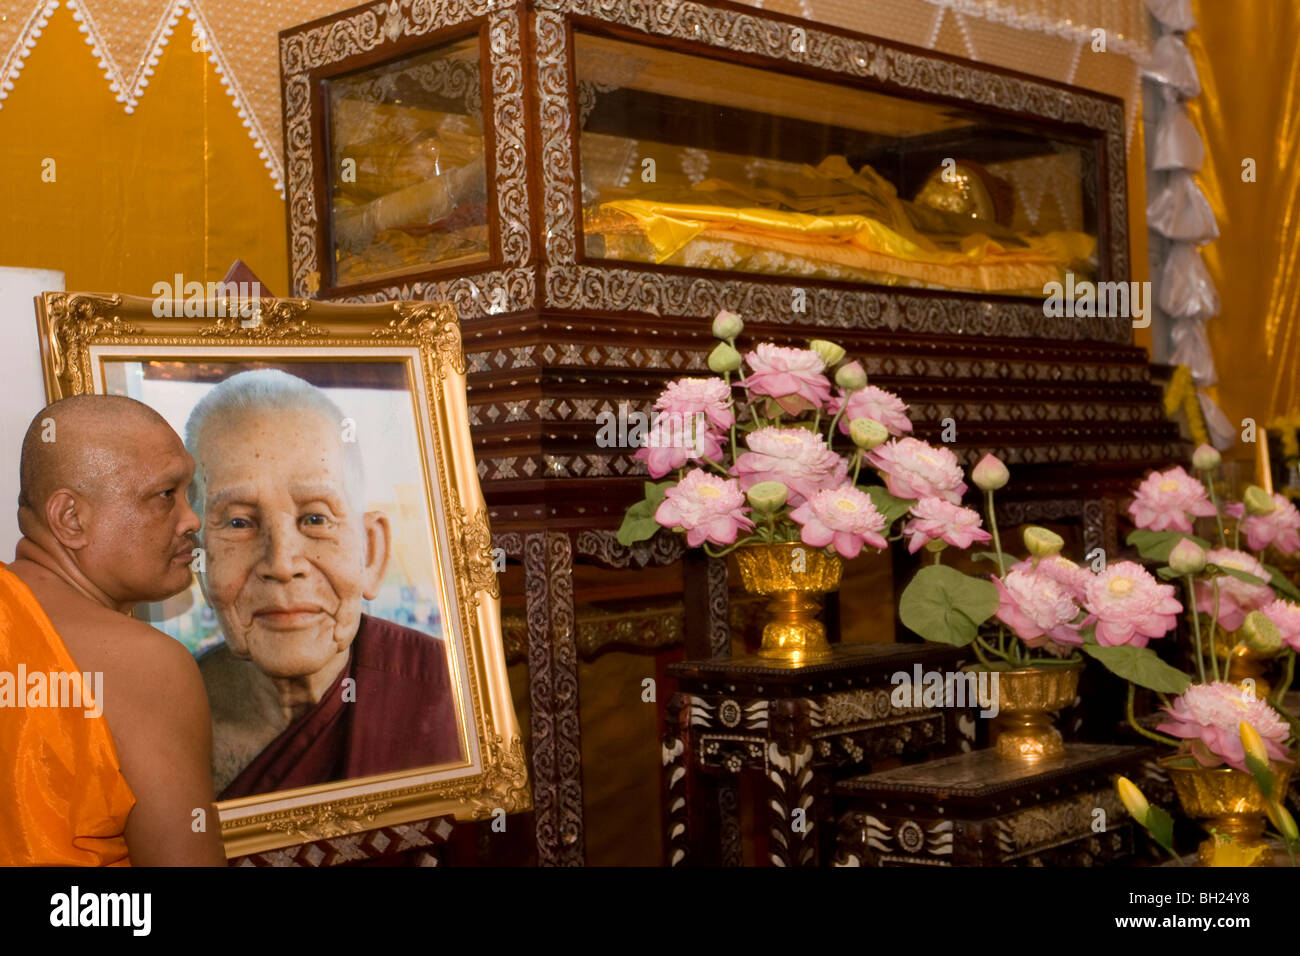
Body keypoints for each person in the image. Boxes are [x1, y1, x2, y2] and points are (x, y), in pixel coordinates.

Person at [187, 370, 462, 799]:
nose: (281, 564)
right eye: (239, 523)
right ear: (198, 559)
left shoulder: (448, 695)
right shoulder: (164, 724)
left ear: (371, 552)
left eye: (315, 519)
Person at [0, 396, 226, 866]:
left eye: (189, 492)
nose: (192, 520)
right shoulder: (146, 664)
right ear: (71, 519)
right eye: (165, 495)